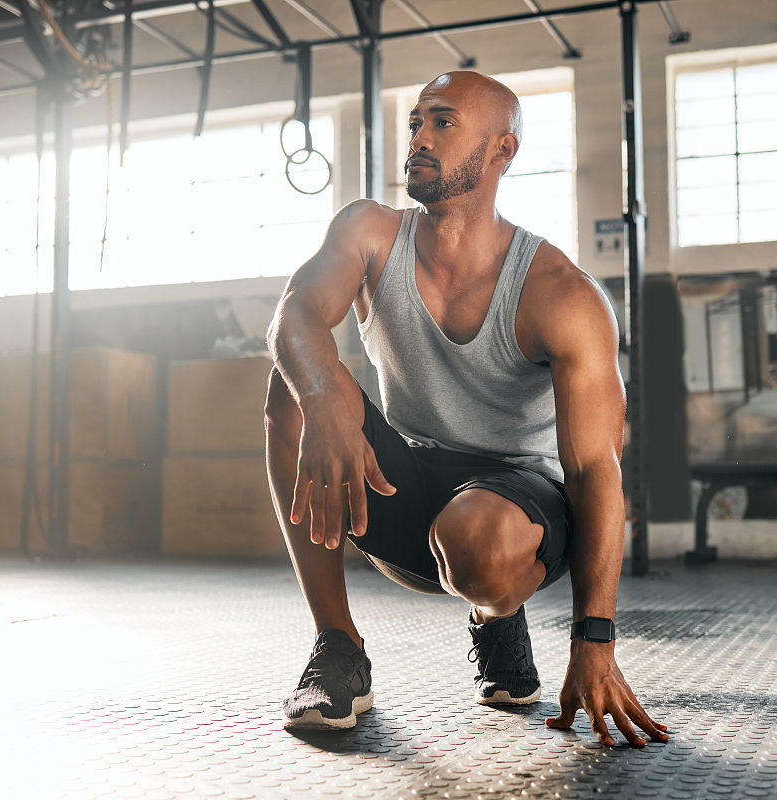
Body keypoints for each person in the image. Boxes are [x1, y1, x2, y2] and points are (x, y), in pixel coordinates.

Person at [264, 70, 667, 748]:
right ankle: (337, 646)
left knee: (478, 537)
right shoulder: (370, 231)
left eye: (442, 123)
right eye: (416, 120)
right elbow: (294, 316)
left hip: (514, 510)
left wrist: (594, 641)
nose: (419, 136)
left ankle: (496, 612)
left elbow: (596, 470)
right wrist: (322, 396)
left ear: (502, 151)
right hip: (406, 487)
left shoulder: (558, 292)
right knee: (291, 384)